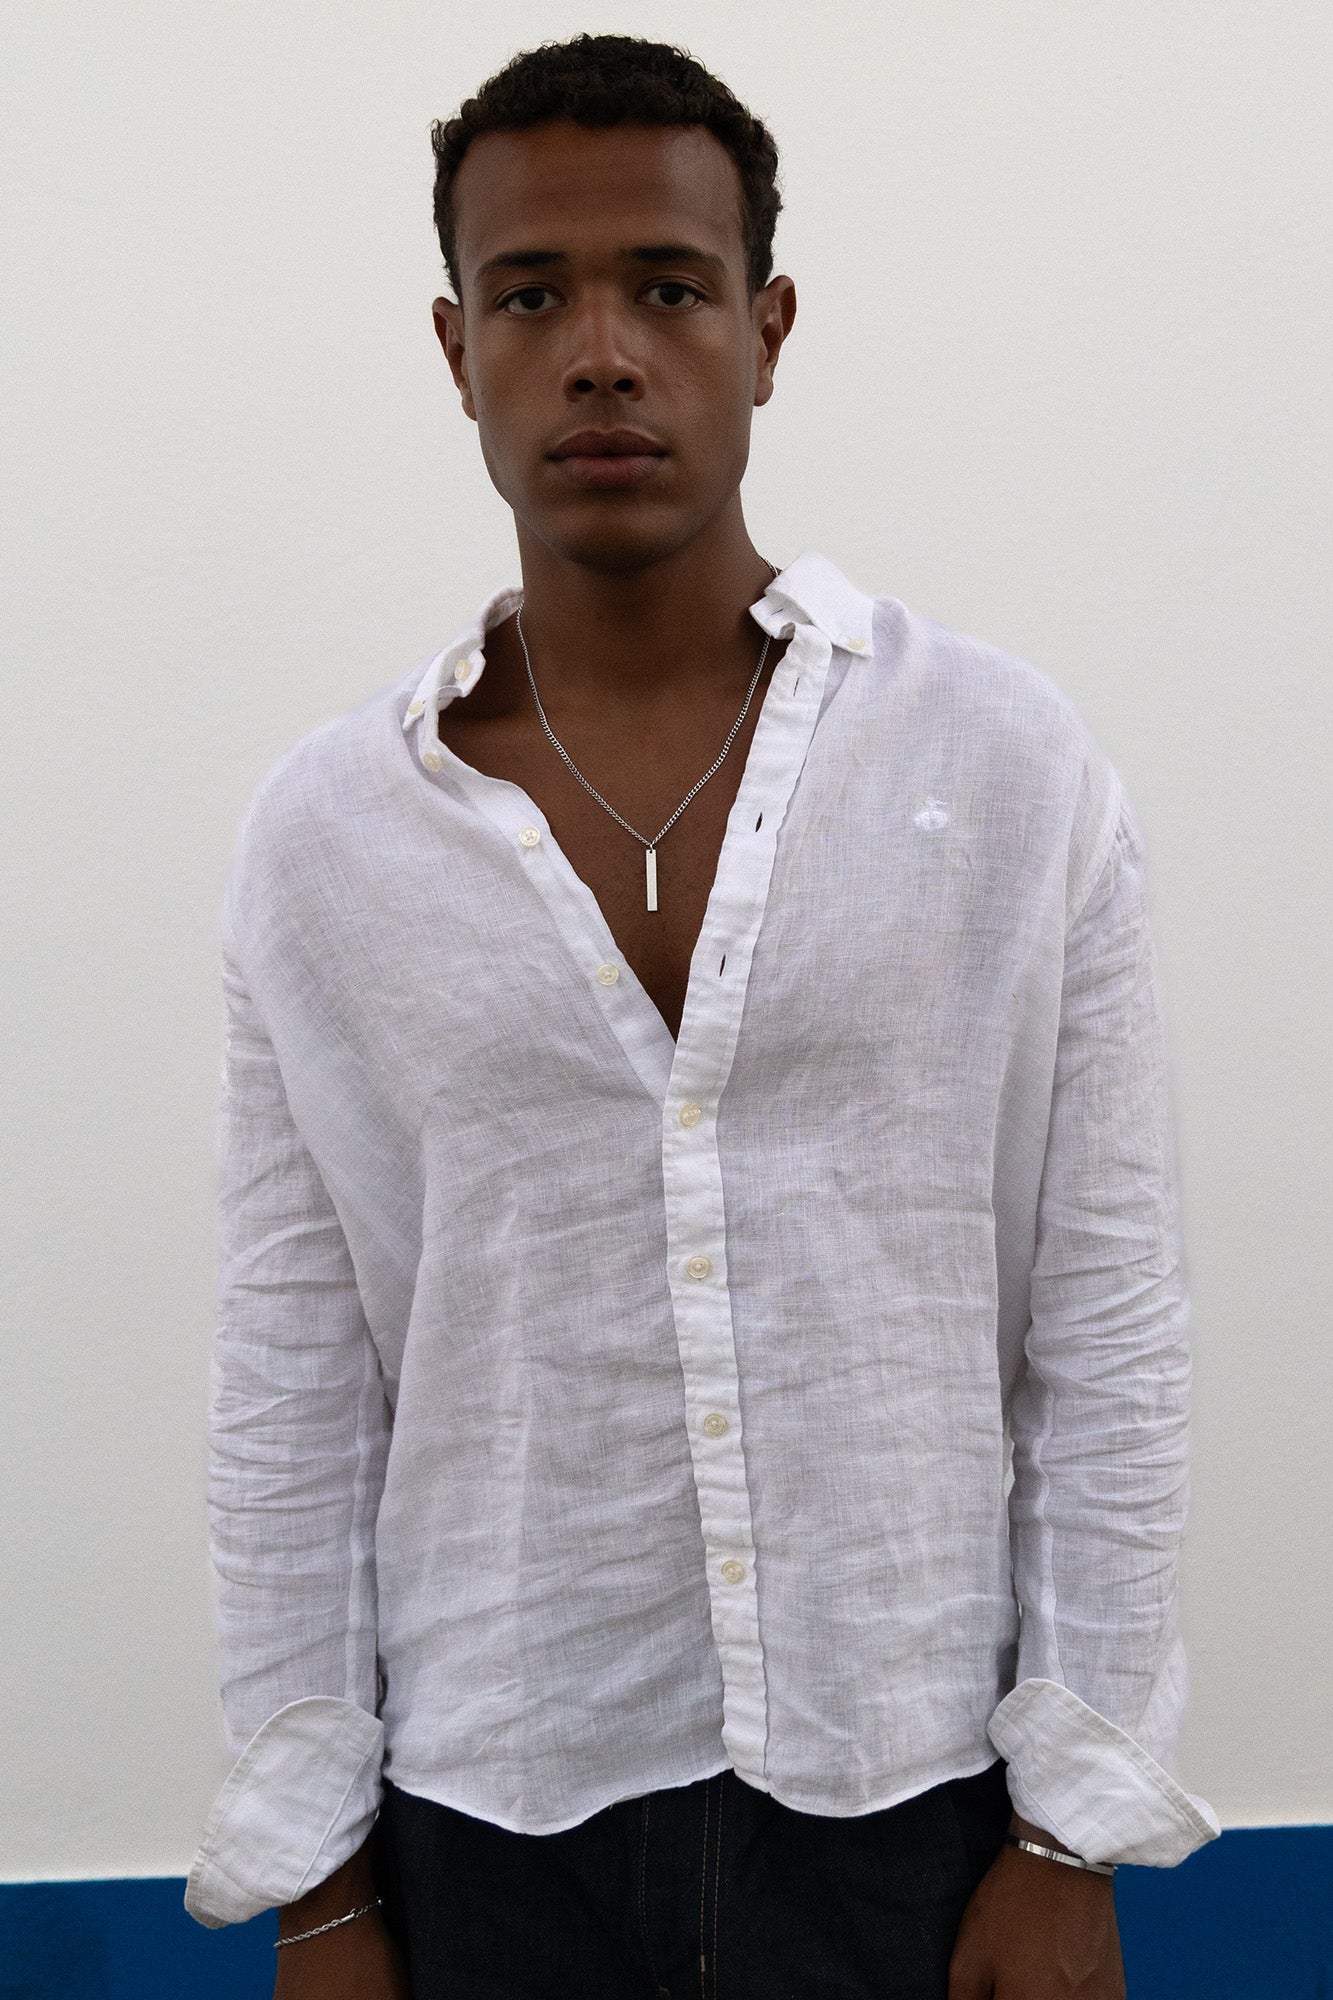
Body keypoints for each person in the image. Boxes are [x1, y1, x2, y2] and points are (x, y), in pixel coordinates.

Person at [183, 31, 1220, 1999]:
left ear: (766, 328)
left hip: (916, 1814)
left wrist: (1066, 1826)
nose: (600, 353)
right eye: (530, 296)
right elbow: (292, 1374)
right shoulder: (330, 838)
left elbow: (1104, 1319)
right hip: (489, 1816)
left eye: (665, 287)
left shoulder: (998, 764)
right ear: (455, 349)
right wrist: (315, 1887)